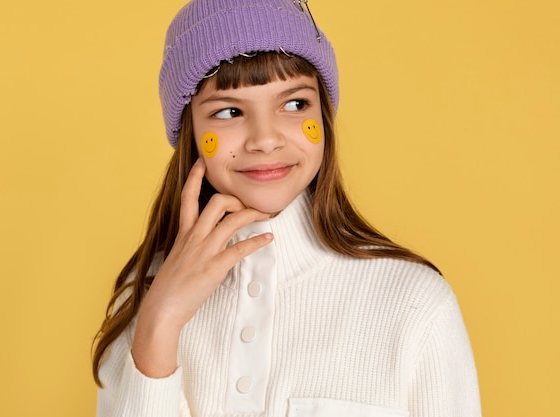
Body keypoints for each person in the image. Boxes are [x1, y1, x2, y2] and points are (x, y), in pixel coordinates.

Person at [92, 0, 482, 416]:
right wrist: (160, 325)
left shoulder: (416, 304)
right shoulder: (145, 296)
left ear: (324, 116)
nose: (265, 138)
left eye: (295, 104)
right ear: (191, 132)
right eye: (229, 111)